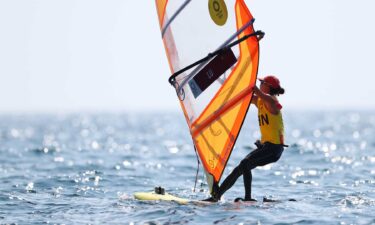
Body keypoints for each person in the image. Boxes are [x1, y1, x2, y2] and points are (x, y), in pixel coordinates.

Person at [204, 75, 286, 202]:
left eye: (262, 82)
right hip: (267, 147)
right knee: (241, 167)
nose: (259, 84)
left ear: (268, 87)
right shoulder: (260, 101)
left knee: (245, 164)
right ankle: (219, 195)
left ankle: (241, 197)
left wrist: (248, 74)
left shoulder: (271, 101)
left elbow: (253, 88)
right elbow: (244, 94)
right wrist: (224, 81)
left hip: (274, 149)